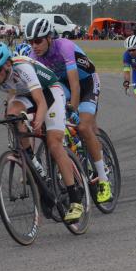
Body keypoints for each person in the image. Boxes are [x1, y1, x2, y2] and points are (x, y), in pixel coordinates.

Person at [0, 42, 86, 222]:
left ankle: (75, 198)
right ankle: (34, 163)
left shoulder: (23, 68)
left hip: (49, 93)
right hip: (25, 95)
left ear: (7, 64)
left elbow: (41, 102)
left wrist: (38, 120)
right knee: (12, 115)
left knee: (53, 143)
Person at [24, 18, 112, 204]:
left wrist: (73, 108)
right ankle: (73, 156)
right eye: (30, 42)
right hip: (61, 85)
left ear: (49, 38)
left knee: (83, 126)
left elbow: (75, 85)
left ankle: (104, 180)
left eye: (38, 41)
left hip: (86, 82)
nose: (34, 46)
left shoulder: (64, 46)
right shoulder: (33, 56)